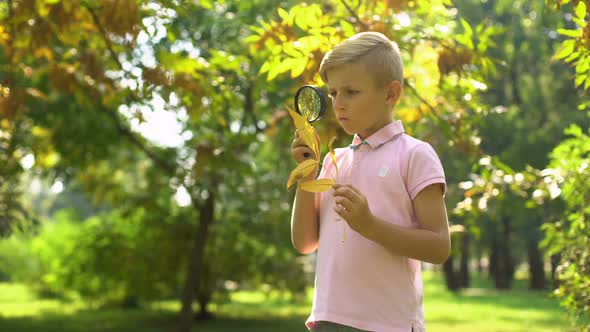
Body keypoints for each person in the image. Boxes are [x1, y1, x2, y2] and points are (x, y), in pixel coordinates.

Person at [290, 31, 451, 332]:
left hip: (387, 324)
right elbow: (304, 242)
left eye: (351, 92)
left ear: (391, 94)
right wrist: (306, 173)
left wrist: (369, 226)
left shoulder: (414, 155)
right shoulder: (333, 160)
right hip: (328, 319)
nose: (339, 104)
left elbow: (439, 246)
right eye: (334, 93)